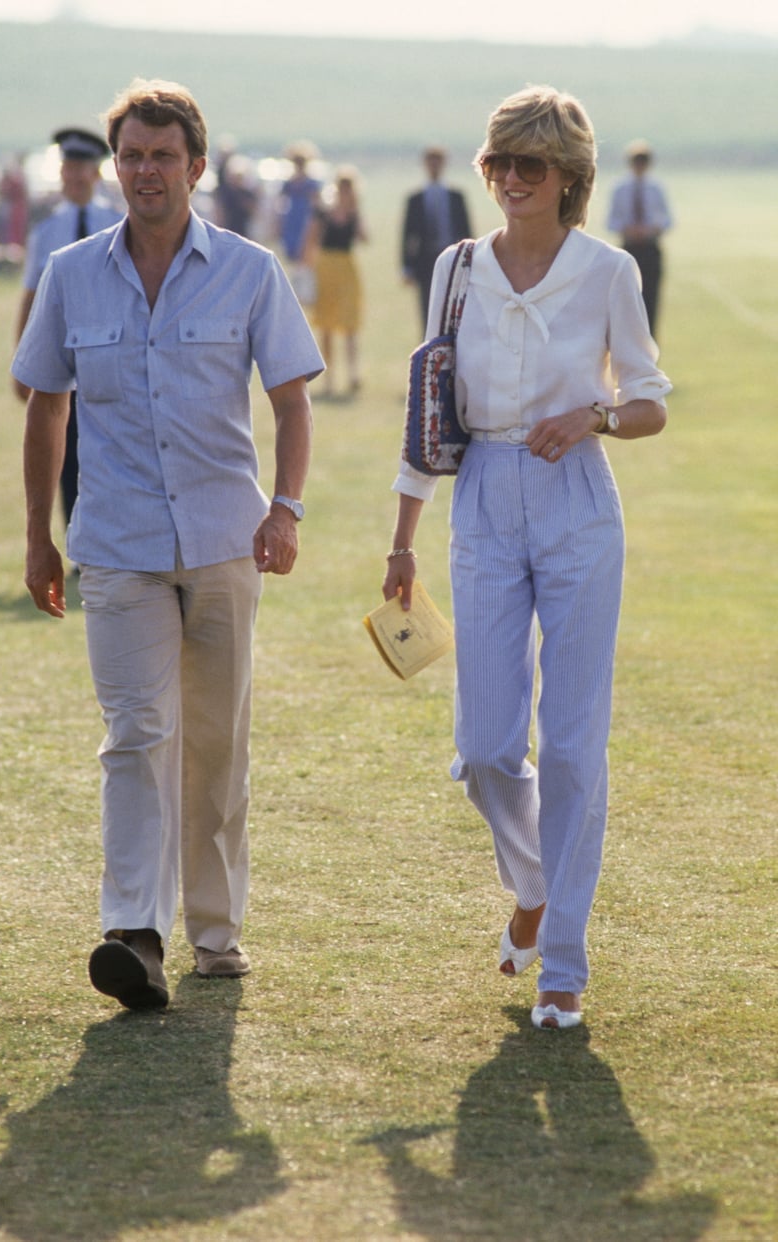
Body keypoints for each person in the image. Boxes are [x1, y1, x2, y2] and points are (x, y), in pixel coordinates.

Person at [13, 79, 324, 1011]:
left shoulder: (250, 270)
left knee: (216, 742)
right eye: (132, 155)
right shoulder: (70, 275)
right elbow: (45, 407)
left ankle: (216, 933)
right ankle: (133, 934)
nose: (146, 171)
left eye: (163, 156)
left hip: (228, 540)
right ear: (117, 168)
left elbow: (292, 399)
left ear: (195, 166)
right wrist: (39, 536)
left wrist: (287, 508)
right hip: (115, 545)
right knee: (136, 735)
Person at [383, 86, 670, 1031]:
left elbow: (649, 399)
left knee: (576, 743)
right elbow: (430, 405)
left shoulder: (608, 273)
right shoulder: (458, 266)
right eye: (499, 163)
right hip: (484, 504)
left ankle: (564, 965)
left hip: (579, 499)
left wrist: (589, 415)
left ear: (570, 179)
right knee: (486, 746)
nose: (511, 180)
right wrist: (401, 539)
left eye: (531, 167)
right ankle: (538, 882)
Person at [13, 128, 123, 528]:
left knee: (109, 447)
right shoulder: (46, 231)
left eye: (82, 168)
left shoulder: (118, 223)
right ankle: (77, 536)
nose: (74, 177)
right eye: (68, 168)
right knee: (63, 448)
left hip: (110, 352)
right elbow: (30, 296)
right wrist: (22, 359)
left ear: (96, 173)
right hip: (63, 354)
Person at [309, 166, 368, 398]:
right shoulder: (323, 213)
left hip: (346, 267)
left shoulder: (355, 214)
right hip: (326, 267)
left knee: (350, 322)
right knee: (326, 323)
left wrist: (355, 213)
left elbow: (365, 237)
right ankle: (329, 376)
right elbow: (311, 239)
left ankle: (353, 373)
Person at [401, 146, 472, 335]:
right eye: (430, 162)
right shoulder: (415, 198)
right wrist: (406, 266)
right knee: (427, 307)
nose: (434, 166)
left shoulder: (456, 196)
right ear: (425, 165)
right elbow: (407, 235)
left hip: (453, 259)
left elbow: (466, 230)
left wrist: (471, 260)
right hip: (425, 261)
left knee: (455, 306)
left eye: (437, 161)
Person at [606, 141, 672, 337]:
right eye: (637, 161)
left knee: (651, 302)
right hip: (629, 248)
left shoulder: (656, 188)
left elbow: (668, 219)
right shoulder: (620, 188)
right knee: (627, 302)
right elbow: (612, 221)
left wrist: (651, 229)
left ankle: (650, 354)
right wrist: (628, 230)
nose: (640, 165)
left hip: (651, 248)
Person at [277, 141, 321, 304]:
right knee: (294, 262)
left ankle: (305, 296)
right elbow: (281, 205)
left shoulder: (311, 184)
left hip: (305, 221)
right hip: (292, 222)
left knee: (306, 261)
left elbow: (316, 208)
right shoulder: (289, 184)